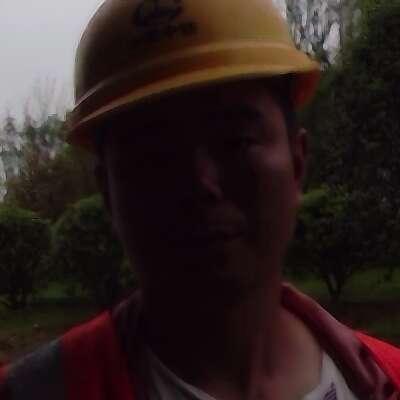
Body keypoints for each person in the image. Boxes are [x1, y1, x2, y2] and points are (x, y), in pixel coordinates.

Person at [1, 0, 400, 399]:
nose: (200, 183)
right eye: (155, 156)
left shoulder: (386, 379)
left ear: (297, 161)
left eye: (236, 142)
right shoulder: (33, 392)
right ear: (108, 191)